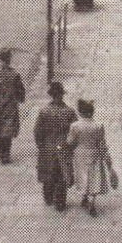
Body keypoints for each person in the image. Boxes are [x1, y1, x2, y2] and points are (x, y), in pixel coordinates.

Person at [66, 98, 118, 216]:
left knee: (83, 176)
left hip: (80, 155)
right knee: (94, 178)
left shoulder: (75, 126)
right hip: (94, 154)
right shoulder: (98, 126)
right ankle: (93, 203)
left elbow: (70, 142)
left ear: (80, 112)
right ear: (92, 112)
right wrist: (106, 157)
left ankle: (84, 197)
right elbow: (102, 144)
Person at [32, 79, 78, 211]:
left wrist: (40, 145)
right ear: (62, 95)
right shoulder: (69, 112)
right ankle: (60, 201)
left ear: (51, 95)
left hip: (48, 147)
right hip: (63, 147)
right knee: (62, 174)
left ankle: (48, 196)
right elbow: (75, 131)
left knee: (48, 173)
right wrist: (71, 147)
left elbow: (37, 131)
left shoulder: (44, 112)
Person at [0, 47, 26, 164]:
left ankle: (1, 153)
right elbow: (21, 92)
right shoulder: (14, 75)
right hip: (10, 107)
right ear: (9, 59)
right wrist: (19, 99)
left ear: (0, 59)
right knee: (7, 132)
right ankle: (6, 154)